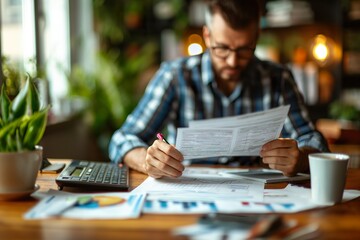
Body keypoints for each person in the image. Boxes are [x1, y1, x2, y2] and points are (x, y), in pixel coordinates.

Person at [108, 0, 329, 178]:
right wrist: (147, 161)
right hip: (188, 184)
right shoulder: (175, 76)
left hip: (259, 189)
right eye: (222, 48)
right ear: (207, 36)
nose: (233, 61)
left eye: (244, 50)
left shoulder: (277, 78)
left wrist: (300, 158)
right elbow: (123, 138)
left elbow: (312, 139)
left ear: (256, 39)